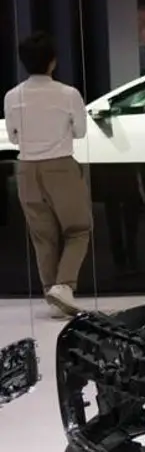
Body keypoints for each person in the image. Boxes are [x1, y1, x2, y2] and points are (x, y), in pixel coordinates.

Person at [5, 32, 91, 316]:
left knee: (42, 236)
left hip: (26, 168)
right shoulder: (68, 94)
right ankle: (64, 287)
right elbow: (80, 131)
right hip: (60, 165)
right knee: (78, 229)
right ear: (53, 62)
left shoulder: (12, 96)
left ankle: (52, 293)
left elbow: (13, 137)